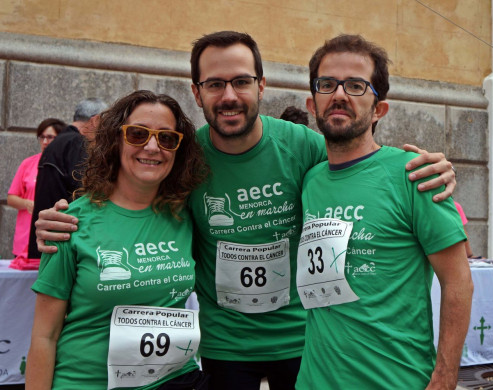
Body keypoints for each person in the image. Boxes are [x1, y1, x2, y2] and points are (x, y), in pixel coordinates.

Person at [34, 31, 457, 390]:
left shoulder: (304, 146)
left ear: (262, 86)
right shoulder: (184, 155)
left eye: (241, 81)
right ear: (197, 92)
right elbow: (133, 187)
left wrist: (434, 169)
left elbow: (358, 166)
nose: (229, 96)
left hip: (302, 342)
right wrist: (66, 218)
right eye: (215, 84)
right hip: (224, 347)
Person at [295, 34, 473, 389]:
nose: (340, 95)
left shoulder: (415, 174)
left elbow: (458, 282)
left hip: (396, 380)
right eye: (327, 84)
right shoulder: (311, 179)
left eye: (357, 85)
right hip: (315, 381)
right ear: (312, 105)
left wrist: (445, 376)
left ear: (379, 110)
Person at [25, 90, 209, 390]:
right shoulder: (69, 222)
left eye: (167, 138)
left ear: (178, 149)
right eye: (137, 134)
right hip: (86, 383)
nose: (152, 147)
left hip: (175, 381)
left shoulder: (187, 215)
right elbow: (44, 336)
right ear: (115, 139)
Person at [27, 98, 108, 259]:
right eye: (105, 121)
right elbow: (83, 189)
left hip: (50, 237)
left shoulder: (58, 141)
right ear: (95, 119)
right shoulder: (77, 143)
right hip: (62, 240)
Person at [7, 118, 66, 269]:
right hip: (26, 239)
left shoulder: (65, 165)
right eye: (42, 137)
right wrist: (27, 203)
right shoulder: (28, 163)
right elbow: (11, 198)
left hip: (54, 239)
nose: (45, 141)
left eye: (50, 137)